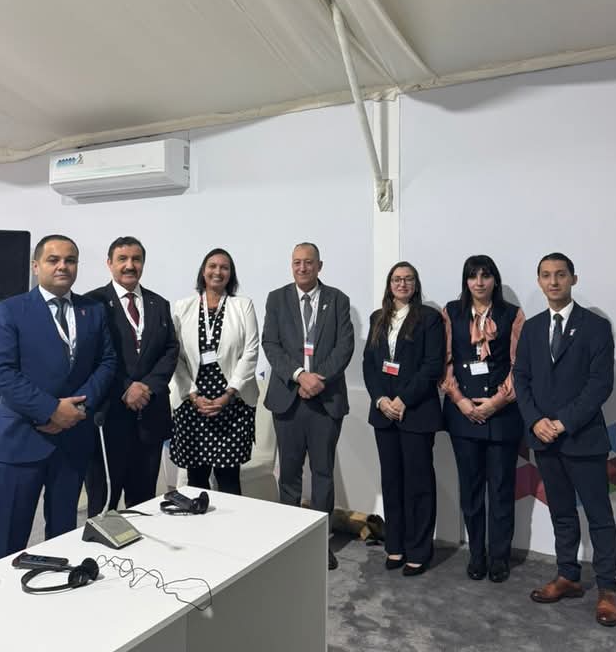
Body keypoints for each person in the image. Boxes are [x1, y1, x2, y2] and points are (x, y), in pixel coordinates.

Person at [0, 234, 115, 560]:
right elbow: (1, 372)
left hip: (72, 439)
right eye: (53, 260)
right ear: (36, 266)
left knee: (63, 538)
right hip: (22, 439)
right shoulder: (10, 310)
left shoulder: (93, 310)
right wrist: (51, 410)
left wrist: (76, 410)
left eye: (70, 260)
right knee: (10, 540)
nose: (62, 266)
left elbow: (107, 362)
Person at [514, 252, 616, 626]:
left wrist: (562, 423)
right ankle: (568, 575)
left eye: (561, 274)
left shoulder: (596, 327)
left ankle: (607, 588)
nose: (554, 281)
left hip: (583, 438)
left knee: (598, 515)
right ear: (539, 281)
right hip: (544, 439)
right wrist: (535, 422)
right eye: (546, 275)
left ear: (573, 279)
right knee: (561, 512)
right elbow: (521, 379)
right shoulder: (532, 328)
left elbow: (600, 384)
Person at [262, 242, 354, 571]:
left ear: (319, 265)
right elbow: (270, 344)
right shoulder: (277, 298)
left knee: (323, 474)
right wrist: (300, 376)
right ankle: (289, 542)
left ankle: (319, 543)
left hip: (325, 401)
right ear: (292, 265)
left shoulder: (338, 300)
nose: (302, 268)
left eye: (309, 262)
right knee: (288, 474)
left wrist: (318, 379)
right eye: (297, 262)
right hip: (288, 398)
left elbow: (345, 346)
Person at [441, 255, 525, 583]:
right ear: (465, 281)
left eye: (485, 276)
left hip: (503, 415)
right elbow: (445, 362)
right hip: (462, 416)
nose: (479, 282)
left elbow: (520, 365)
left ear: (495, 280)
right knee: (471, 489)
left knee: (502, 490)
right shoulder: (451, 312)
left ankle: (499, 557)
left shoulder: (513, 315)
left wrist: (496, 402)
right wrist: (460, 401)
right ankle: (476, 554)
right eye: (473, 276)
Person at [84, 236, 179, 516]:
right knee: (104, 508)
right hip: (108, 419)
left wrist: (146, 387)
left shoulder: (158, 303)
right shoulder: (92, 303)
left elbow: (170, 350)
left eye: (136, 259)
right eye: (122, 259)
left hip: (149, 419)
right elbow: (92, 357)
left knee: (144, 505)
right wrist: (126, 388)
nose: (130, 265)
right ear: (109, 263)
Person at [363, 262, 444, 575]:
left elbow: (432, 365)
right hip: (384, 414)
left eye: (408, 279)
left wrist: (403, 400)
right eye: (397, 279)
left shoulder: (429, 318)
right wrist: (381, 400)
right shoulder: (377, 318)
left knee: (418, 483)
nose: (402, 284)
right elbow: (370, 365)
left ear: (416, 284)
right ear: (389, 285)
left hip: (416, 413)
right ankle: (395, 545)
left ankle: (419, 550)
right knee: (392, 482)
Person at [170, 248, 259, 495]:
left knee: (229, 479)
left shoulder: (243, 305)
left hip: (232, 403)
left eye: (224, 267)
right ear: (203, 271)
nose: (217, 271)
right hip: (192, 404)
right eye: (212, 266)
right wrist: (193, 395)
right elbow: (175, 356)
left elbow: (251, 351)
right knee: (196, 478)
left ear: (231, 274)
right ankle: (197, 519)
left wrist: (228, 394)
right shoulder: (183, 306)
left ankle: (232, 522)